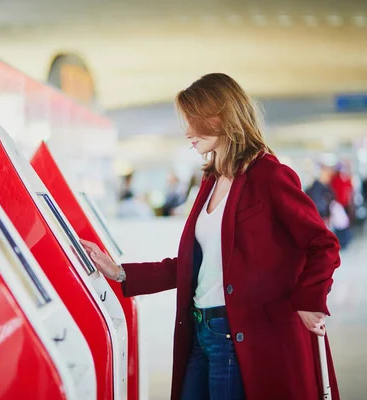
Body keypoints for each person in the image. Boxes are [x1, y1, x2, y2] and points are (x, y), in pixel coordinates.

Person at [81, 73, 341, 400]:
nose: (187, 131)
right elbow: (192, 266)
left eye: (193, 120)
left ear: (221, 117)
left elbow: (323, 245)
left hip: (239, 335)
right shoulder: (211, 181)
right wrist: (120, 272)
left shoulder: (269, 175)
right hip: (201, 332)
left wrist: (309, 299)